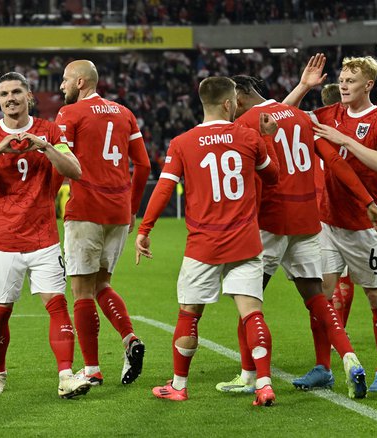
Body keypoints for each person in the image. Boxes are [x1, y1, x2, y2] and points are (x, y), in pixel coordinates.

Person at [215, 75, 377, 399]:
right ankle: (349, 357)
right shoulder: (302, 117)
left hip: (271, 221)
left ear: (238, 98)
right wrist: (368, 202)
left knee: (248, 299)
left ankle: (250, 376)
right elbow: (334, 161)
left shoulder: (248, 122)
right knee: (317, 299)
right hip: (309, 220)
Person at [136, 76, 280, 405]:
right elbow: (272, 178)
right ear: (229, 103)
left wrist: (145, 229)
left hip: (204, 244)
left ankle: (179, 385)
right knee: (252, 314)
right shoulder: (249, 137)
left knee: (189, 314)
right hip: (245, 241)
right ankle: (264, 384)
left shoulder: (183, 142)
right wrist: (267, 138)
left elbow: (164, 188)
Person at [0, 72, 91, 399]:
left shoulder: (50, 131)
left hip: (43, 237)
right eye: (4, 93)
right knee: (0, 311)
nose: (10, 98)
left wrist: (44, 147)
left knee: (57, 304)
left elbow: (75, 170)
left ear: (29, 96)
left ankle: (65, 376)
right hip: (2, 240)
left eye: (16, 92)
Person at [285, 54, 377, 392]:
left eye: (352, 80)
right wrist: (304, 86)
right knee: (322, 295)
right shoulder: (329, 114)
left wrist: (345, 141)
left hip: (365, 226)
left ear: (369, 85)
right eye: (343, 79)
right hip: (328, 224)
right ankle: (323, 366)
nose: (345, 85)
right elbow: (281, 115)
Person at [56, 60, 151, 386]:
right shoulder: (125, 113)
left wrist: (46, 200)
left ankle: (93, 369)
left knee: (81, 291)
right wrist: (133, 208)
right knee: (101, 285)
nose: (61, 87)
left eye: (65, 80)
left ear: (80, 82)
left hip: (86, 210)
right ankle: (129, 340)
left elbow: (60, 161)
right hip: (118, 212)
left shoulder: (69, 115)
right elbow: (144, 165)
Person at [320, 83, 356, 329]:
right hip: (357, 209)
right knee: (347, 277)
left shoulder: (320, 132)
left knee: (328, 281)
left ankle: (333, 333)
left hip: (326, 211)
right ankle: (341, 328)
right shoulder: (354, 132)